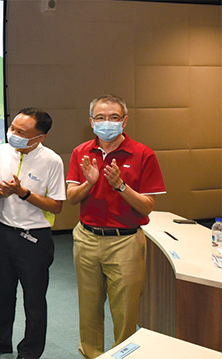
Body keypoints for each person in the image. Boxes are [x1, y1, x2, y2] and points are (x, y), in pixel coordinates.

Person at [66, 95, 164, 359]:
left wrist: (120, 185)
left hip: (125, 241)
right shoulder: (81, 152)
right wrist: (90, 182)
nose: (106, 123)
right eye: (100, 118)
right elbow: (72, 198)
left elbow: (146, 206)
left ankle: (123, 355)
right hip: (87, 238)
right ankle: (91, 355)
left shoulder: (143, 154)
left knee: (125, 311)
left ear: (124, 120)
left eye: (113, 117)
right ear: (91, 121)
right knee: (89, 308)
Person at [0, 108, 65, 359]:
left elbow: (57, 205)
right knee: (0, 291)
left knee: (33, 299)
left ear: (39, 138)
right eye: (12, 128)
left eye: (21, 132)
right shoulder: (0, 150)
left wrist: (23, 193)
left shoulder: (52, 160)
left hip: (33, 238)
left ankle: (30, 351)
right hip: (0, 231)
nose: (13, 134)